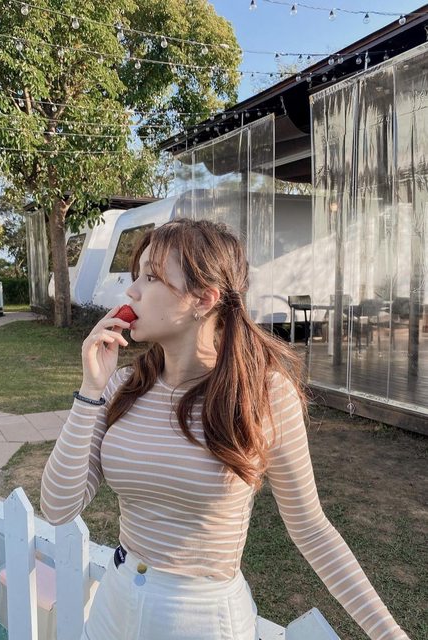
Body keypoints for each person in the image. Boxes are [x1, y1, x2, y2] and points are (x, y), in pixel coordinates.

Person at [40, 218, 410, 640]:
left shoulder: (264, 394)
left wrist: (390, 635)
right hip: (113, 607)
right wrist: (90, 390)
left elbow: (310, 528)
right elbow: (57, 508)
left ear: (204, 299)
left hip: (202, 619)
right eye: (135, 276)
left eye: (151, 277)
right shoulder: (122, 386)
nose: (132, 291)